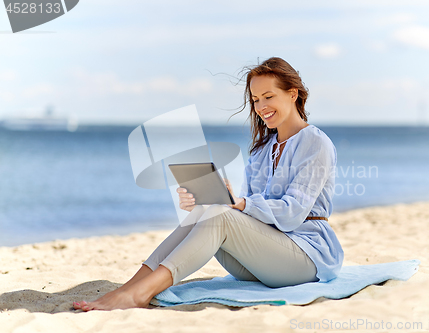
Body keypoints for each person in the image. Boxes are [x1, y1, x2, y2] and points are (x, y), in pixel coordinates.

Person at [73, 57, 344, 311]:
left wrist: (239, 204)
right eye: (256, 99)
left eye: (268, 96)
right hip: (266, 258)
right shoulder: (263, 149)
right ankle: (129, 287)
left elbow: (294, 211)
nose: (261, 107)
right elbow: (251, 212)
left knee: (219, 215)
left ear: (292, 94)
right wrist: (209, 200)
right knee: (207, 211)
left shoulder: (314, 143)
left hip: (306, 257)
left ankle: (140, 293)